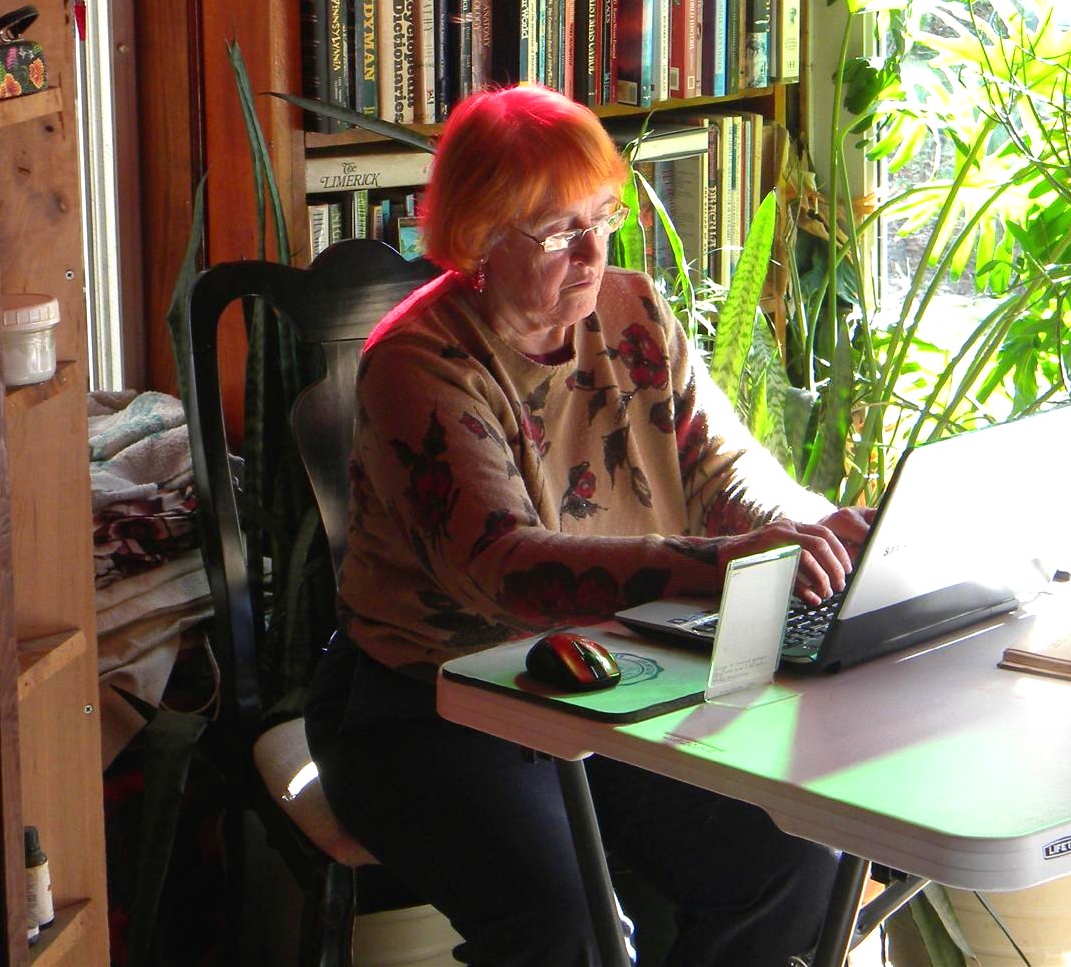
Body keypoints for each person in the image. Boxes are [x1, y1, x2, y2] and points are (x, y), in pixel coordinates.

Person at [306, 85, 871, 966]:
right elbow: (505, 568)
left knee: (792, 863)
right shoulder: (417, 364)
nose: (593, 252)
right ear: (480, 237)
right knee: (566, 926)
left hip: (612, 677)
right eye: (559, 231)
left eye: (603, 217)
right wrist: (719, 563)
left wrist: (815, 528)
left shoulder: (631, 311)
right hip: (429, 703)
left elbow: (723, 470)